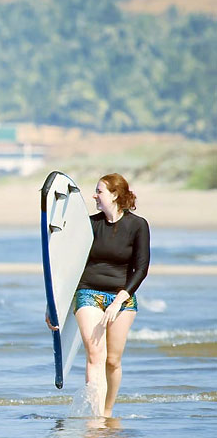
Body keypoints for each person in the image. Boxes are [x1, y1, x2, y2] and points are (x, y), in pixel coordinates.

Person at [49, 173, 149, 417]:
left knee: (112, 361)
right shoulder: (89, 226)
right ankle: (95, 418)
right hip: (88, 292)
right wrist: (53, 304)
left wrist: (120, 299)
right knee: (95, 356)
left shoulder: (138, 225)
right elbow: (68, 266)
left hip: (122, 298)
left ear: (115, 195)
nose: (94, 195)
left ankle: (107, 411)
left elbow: (142, 267)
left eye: (99, 191)